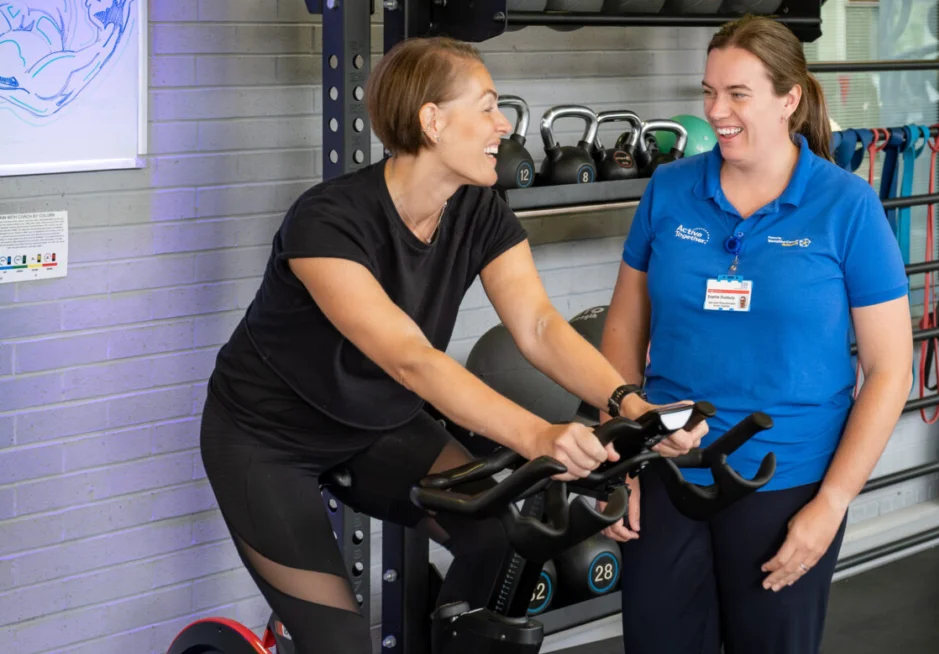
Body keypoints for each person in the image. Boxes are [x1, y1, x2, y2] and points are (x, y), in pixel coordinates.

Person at [197, 36, 706, 654]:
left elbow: (539, 326)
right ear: (432, 121)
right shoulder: (326, 222)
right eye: (488, 107)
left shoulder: (478, 208)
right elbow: (411, 359)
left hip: (375, 425)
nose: (503, 125)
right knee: (339, 644)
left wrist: (632, 406)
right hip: (266, 439)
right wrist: (538, 437)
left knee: (501, 537)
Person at [600, 15, 915, 654]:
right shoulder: (669, 189)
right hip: (668, 471)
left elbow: (889, 371)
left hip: (787, 479)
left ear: (789, 99)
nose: (717, 111)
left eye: (738, 94)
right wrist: (624, 458)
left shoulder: (846, 205)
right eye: (708, 92)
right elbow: (623, 332)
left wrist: (831, 505)